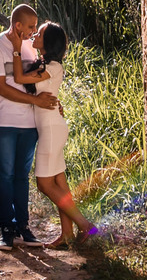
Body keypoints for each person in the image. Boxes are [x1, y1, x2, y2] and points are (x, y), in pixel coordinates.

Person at [9, 22, 98, 249]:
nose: (35, 34)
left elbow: (19, 78)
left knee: (44, 184)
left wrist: (17, 48)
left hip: (51, 129)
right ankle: (67, 234)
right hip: (51, 126)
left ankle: (85, 225)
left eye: (40, 33)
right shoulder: (45, 65)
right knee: (59, 182)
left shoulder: (54, 66)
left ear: (48, 43)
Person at [0, 4, 59, 250]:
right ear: (17, 25)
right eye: (30, 27)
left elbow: (40, 80)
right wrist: (36, 100)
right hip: (2, 121)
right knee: (4, 175)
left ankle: (23, 227)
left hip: (29, 123)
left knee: (21, 177)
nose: (34, 31)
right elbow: (2, 87)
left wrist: (52, 102)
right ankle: (6, 229)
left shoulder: (31, 47)